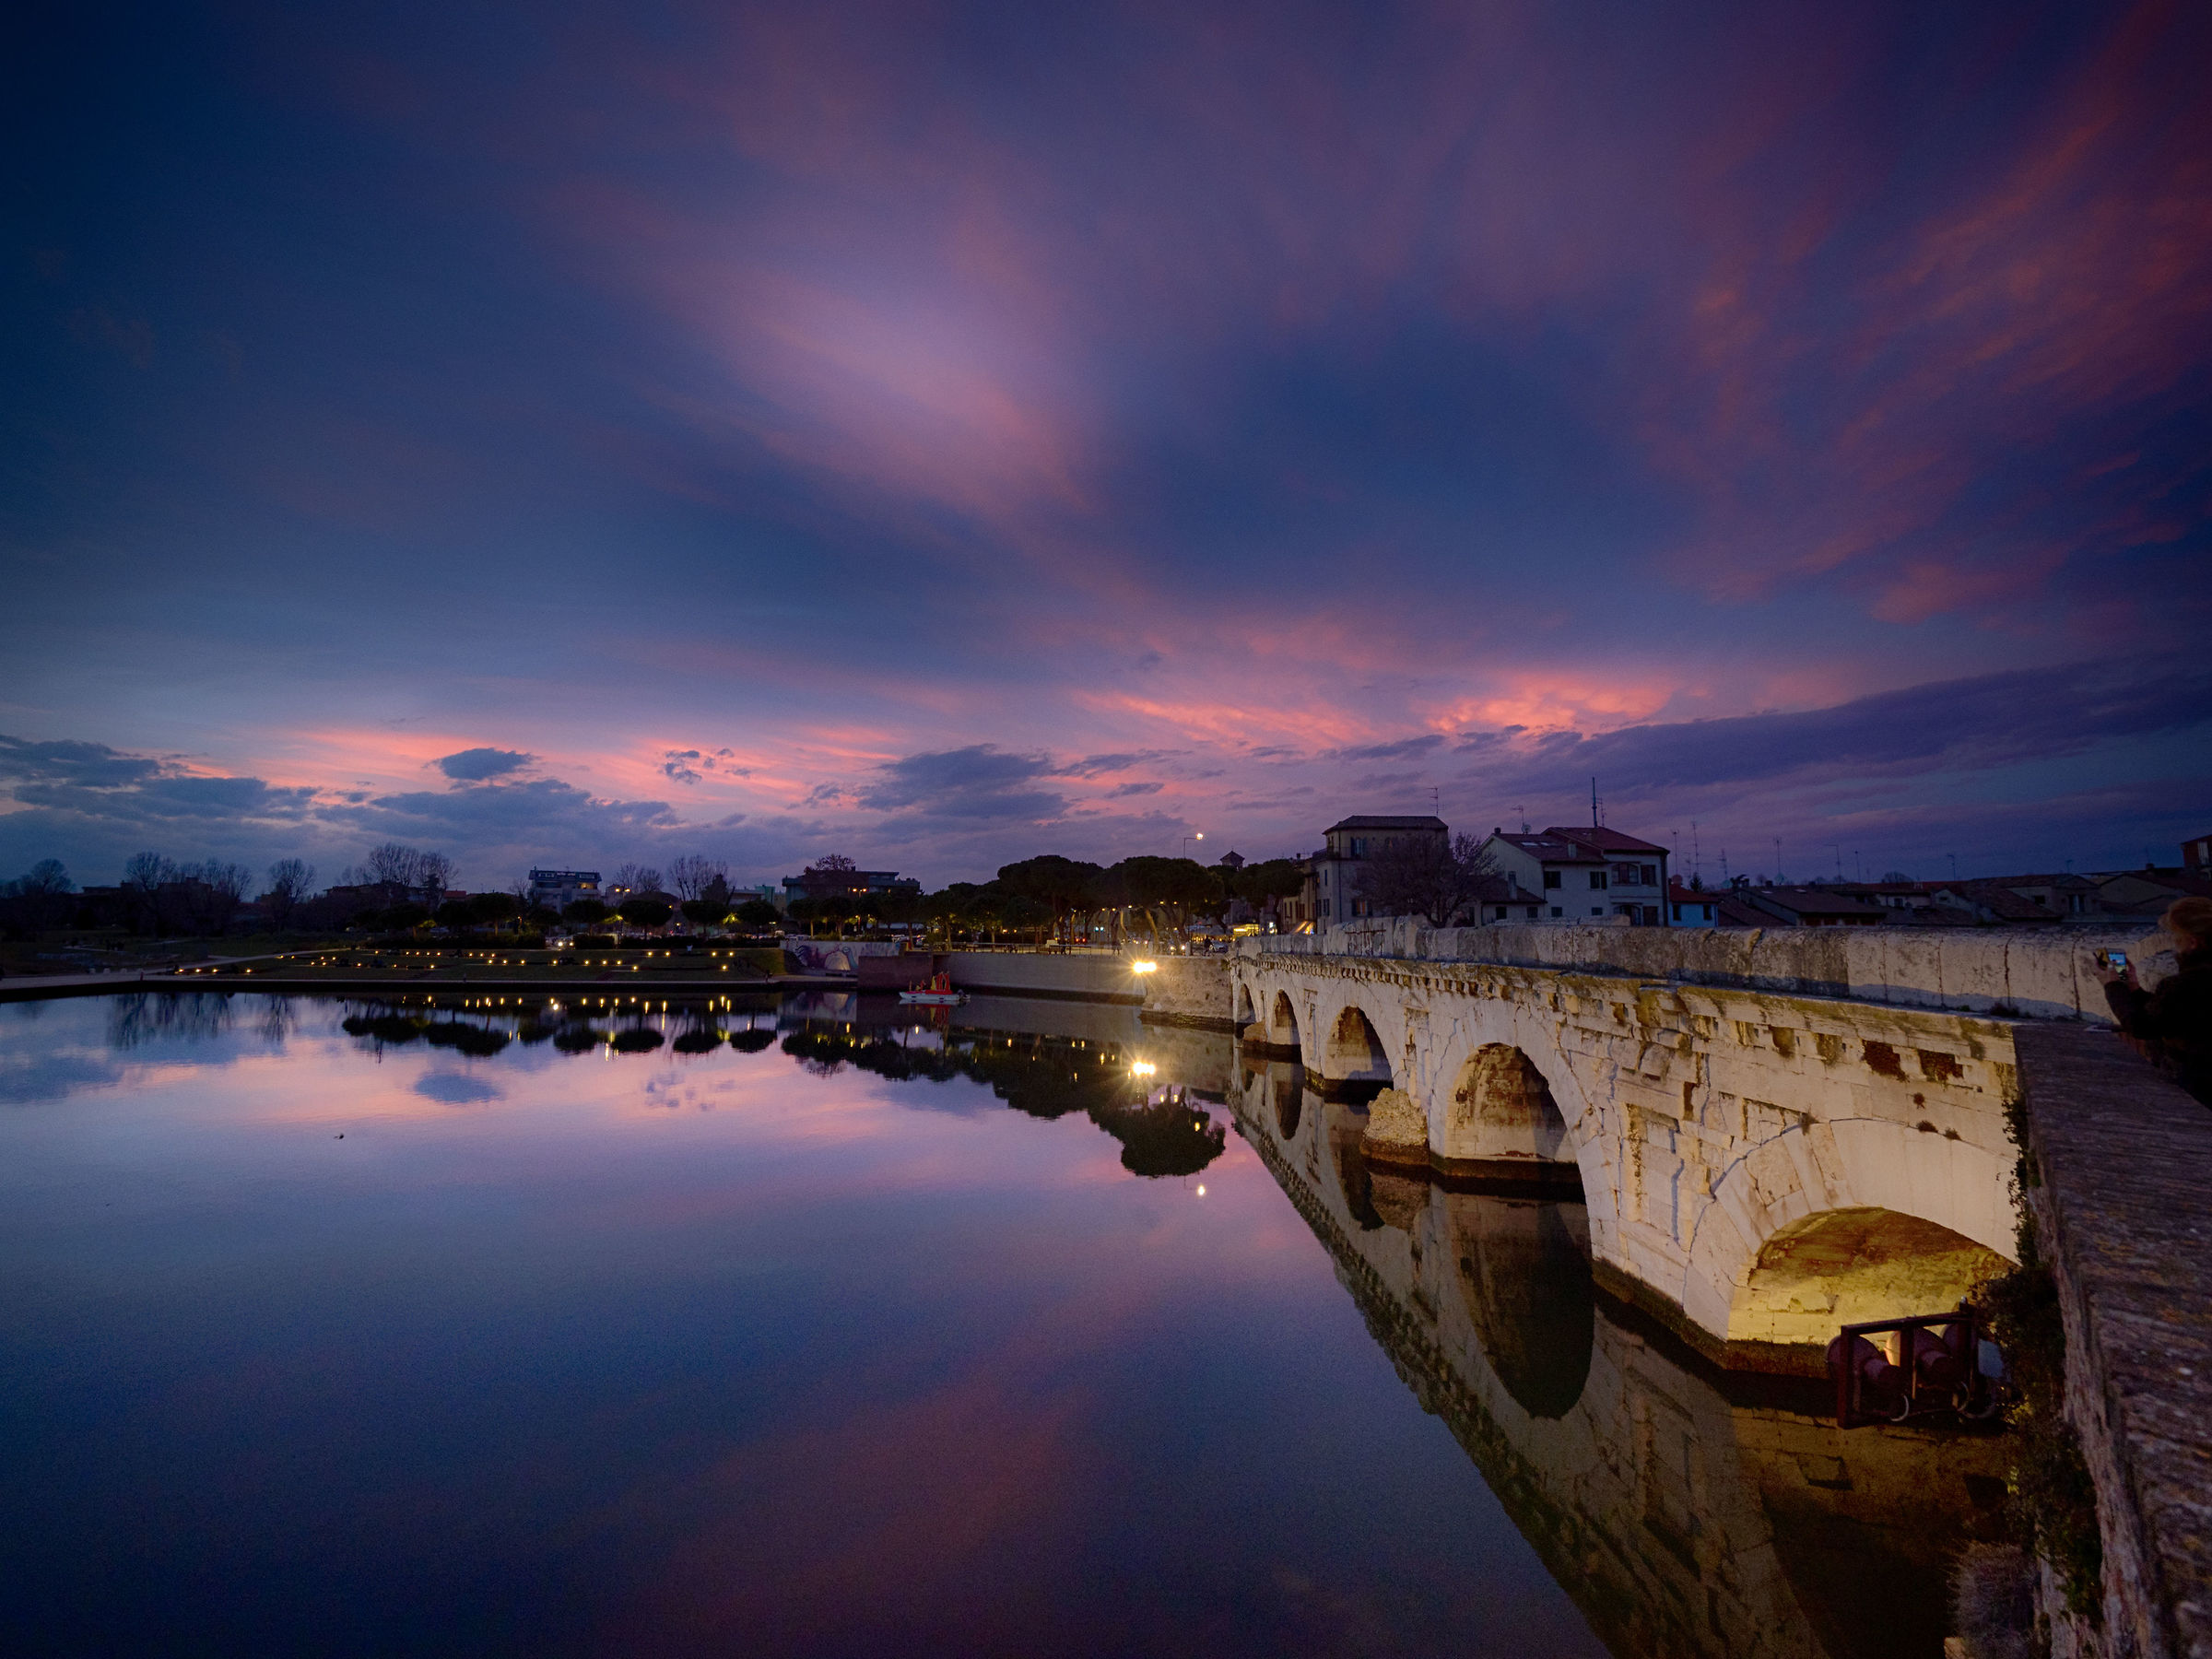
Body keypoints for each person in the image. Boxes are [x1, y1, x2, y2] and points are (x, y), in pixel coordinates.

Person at [2094, 896, 2212, 1107]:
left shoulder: (2185, 984)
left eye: (2177, 937)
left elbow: (2143, 1026)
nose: (2175, 944)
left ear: (2193, 942)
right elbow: (2175, 1014)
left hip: (2199, 1082)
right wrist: (2135, 990)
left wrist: (2113, 985)